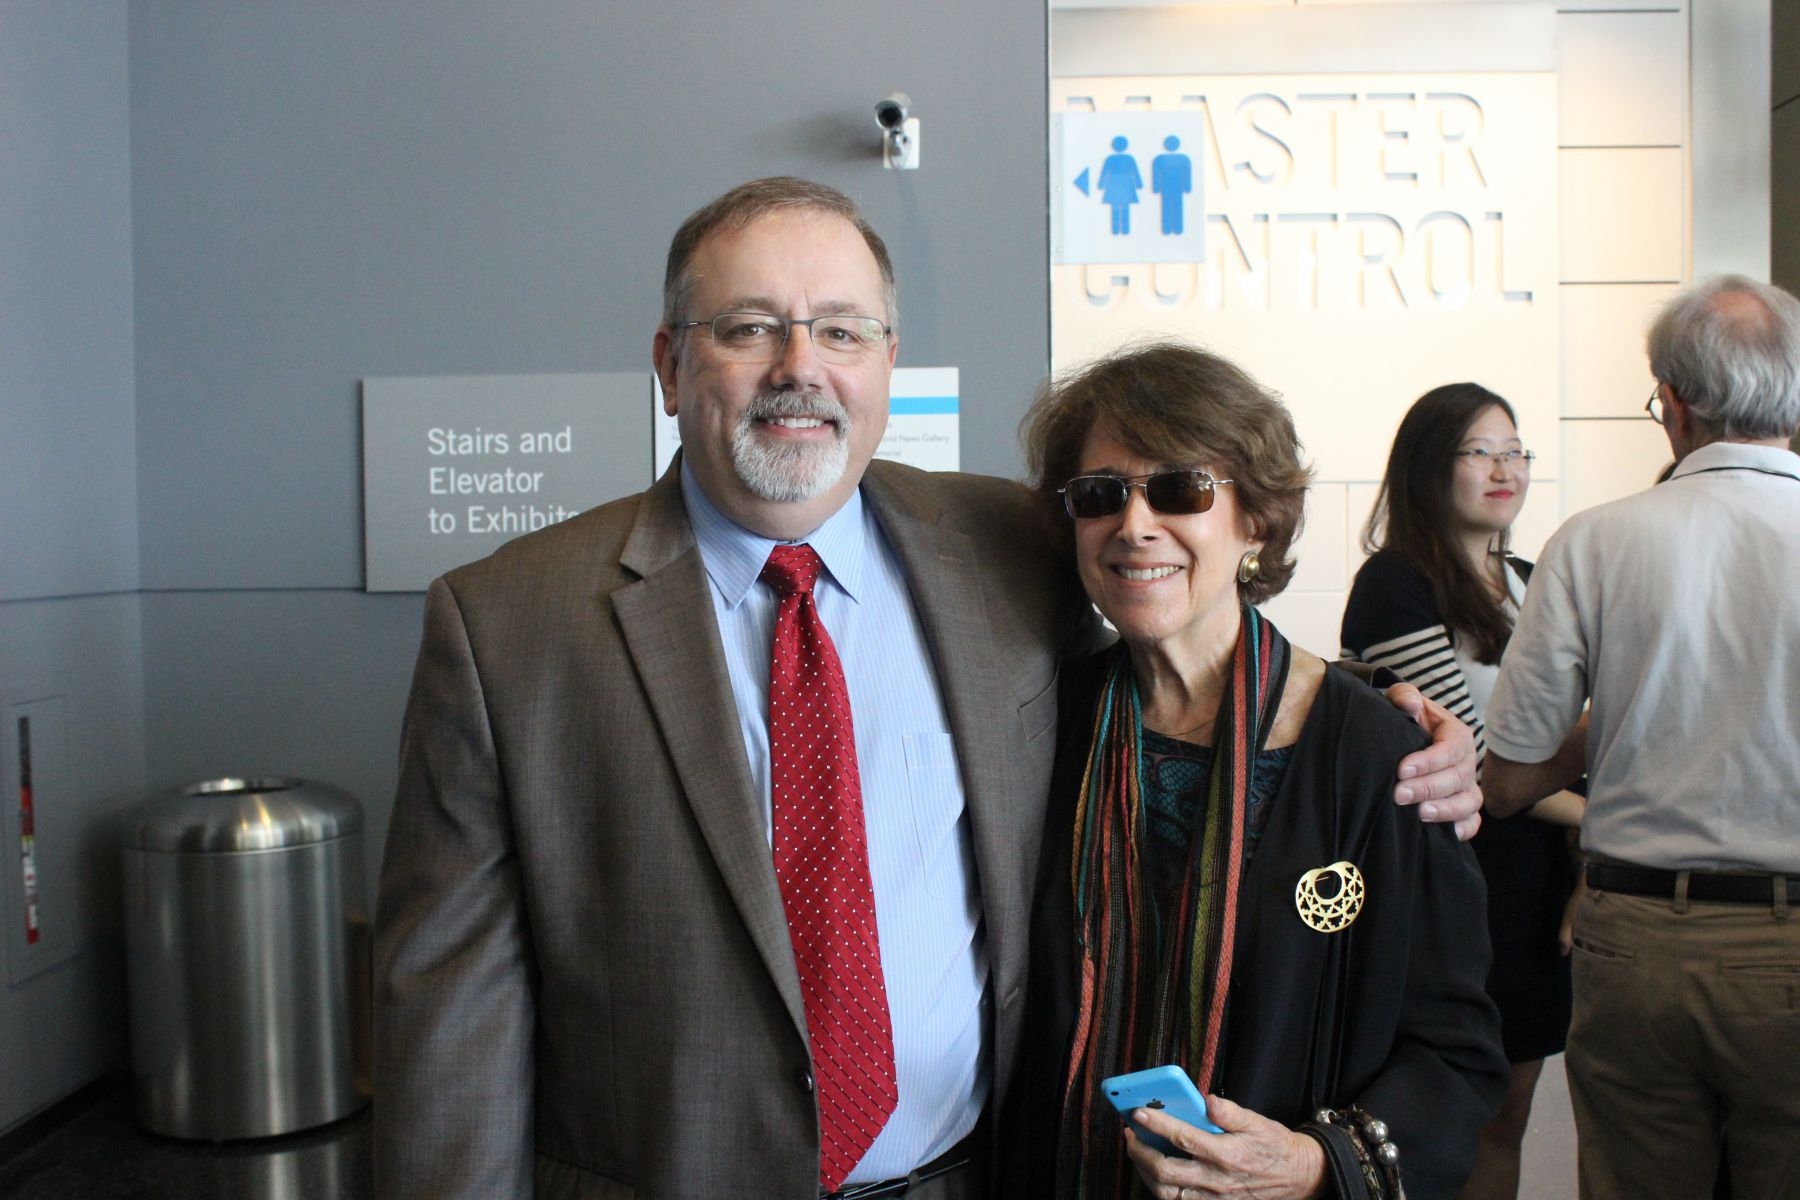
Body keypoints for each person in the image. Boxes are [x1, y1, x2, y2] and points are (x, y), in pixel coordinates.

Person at [374, 178, 1483, 1200]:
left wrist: (1384, 710)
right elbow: (447, 1031)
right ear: (669, 364)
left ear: (887, 361)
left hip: (975, 1180)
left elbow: (1191, 629)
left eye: (841, 330)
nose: (800, 366)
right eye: (749, 327)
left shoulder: (1000, 550)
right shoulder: (507, 626)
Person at [1009, 343, 1506, 1200]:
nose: (1135, 525)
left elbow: (1455, 1050)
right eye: (1101, 495)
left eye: (1180, 490)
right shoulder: (1041, 728)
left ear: (1258, 521)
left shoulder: (1378, 755)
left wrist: (1313, 1164)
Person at [1483, 275, 1800, 1200]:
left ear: (1675, 402)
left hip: (1637, 940)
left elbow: (1509, 778)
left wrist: (1626, 717)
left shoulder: (1593, 542)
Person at [1340, 384, 1584, 1200]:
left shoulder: (1532, 578)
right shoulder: (1396, 583)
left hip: (1539, 878)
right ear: (1427, 465)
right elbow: (1474, 763)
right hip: (1461, 873)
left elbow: (1574, 736)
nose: (1504, 469)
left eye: (1515, 452)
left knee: (1510, 1115)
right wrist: (1593, 816)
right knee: (1451, 1120)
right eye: (1480, 452)